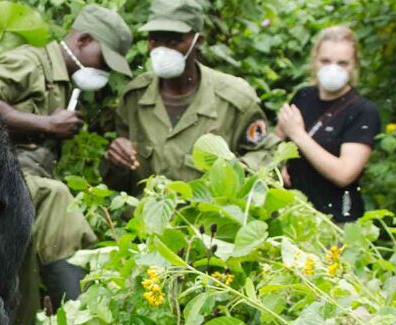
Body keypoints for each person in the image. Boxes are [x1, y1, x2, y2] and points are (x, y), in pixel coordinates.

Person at [0, 5, 134, 325]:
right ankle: (83, 324)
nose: (104, 71)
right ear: (83, 40)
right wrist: (46, 125)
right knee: (56, 198)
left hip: (19, 184)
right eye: (104, 60)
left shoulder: (63, 84)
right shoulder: (29, 63)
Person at [102, 0, 275, 196]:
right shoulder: (135, 97)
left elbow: (267, 154)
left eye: (173, 42)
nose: (161, 50)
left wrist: (232, 174)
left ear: (197, 41)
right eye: (154, 40)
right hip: (145, 214)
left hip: (210, 214)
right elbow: (120, 183)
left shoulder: (235, 99)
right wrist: (117, 160)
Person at [274, 26, 381, 223]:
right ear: (314, 60)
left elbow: (344, 174)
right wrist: (279, 166)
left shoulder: (363, 111)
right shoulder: (303, 96)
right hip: (292, 212)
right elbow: (276, 140)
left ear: (354, 65)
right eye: (325, 61)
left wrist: (299, 135)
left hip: (336, 220)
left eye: (342, 63)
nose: (333, 69)